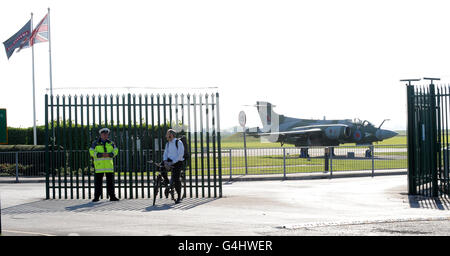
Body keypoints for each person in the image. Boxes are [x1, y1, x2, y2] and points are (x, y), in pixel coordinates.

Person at [89, 128, 119, 202]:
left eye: (106, 134)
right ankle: (96, 197)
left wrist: (110, 154)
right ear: (100, 134)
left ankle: (112, 196)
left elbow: (116, 150)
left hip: (109, 166)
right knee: (98, 183)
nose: (105, 135)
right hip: (99, 166)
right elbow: (91, 151)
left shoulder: (111, 143)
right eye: (103, 134)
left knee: (110, 183)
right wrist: (100, 154)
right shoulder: (95, 143)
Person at [163, 129, 184, 204]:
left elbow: (180, 155)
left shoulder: (178, 142)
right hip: (168, 161)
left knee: (176, 179)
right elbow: (165, 153)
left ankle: (178, 196)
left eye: (167, 134)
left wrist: (172, 162)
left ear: (171, 135)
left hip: (177, 162)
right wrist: (165, 161)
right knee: (160, 168)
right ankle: (167, 183)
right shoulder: (167, 144)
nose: (166, 136)